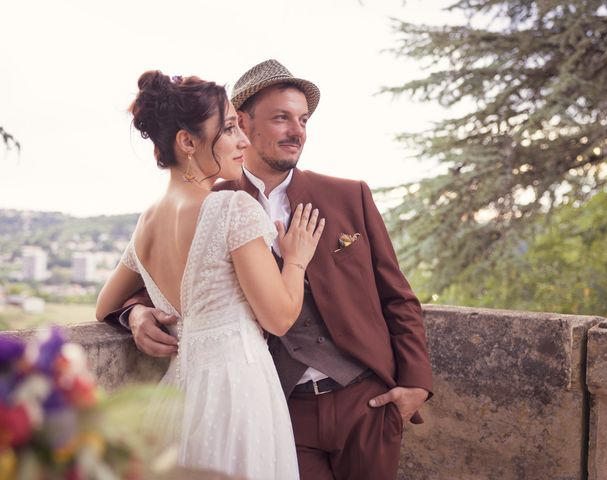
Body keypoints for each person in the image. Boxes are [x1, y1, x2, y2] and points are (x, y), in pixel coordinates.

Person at [105, 60, 434, 480]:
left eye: (303, 119)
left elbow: (397, 296)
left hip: (365, 402)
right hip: (278, 406)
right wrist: (133, 313)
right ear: (243, 122)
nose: (297, 131)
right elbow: (172, 283)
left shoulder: (349, 195)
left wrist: (417, 384)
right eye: (281, 118)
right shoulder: (213, 202)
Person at [96, 70, 325, 479]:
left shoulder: (146, 222)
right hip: (237, 392)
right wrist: (296, 259)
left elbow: (104, 306)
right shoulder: (231, 208)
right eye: (231, 129)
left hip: (178, 395)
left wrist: (136, 314)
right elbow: (279, 317)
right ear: (187, 142)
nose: (243, 141)